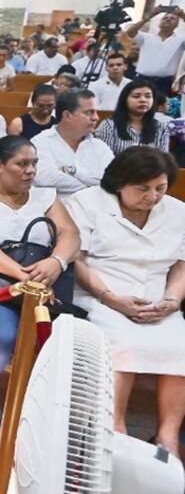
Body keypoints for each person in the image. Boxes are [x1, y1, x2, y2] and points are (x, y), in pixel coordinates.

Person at [0, 136, 80, 439]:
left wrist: (57, 262)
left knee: (72, 339)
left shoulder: (44, 197)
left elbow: (70, 232)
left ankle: (49, 411)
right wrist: (21, 275)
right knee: (0, 337)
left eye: (34, 163)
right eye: (22, 164)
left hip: (40, 286)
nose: (30, 171)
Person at [67, 147, 185, 456]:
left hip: (158, 300)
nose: (153, 197)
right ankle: (114, 428)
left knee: (179, 348)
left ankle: (167, 437)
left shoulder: (176, 210)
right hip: (103, 294)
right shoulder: (87, 202)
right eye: (143, 188)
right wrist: (111, 298)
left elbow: (181, 265)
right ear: (120, 183)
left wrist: (172, 299)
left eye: (160, 188)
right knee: (122, 345)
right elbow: (76, 259)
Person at [31, 89, 114, 201]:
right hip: (55, 211)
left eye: (96, 112)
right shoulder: (40, 142)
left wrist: (74, 171)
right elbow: (45, 177)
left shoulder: (100, 147)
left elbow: (112, 180)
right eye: (89, 112)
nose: (96, 118)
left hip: (96, 212)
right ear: (67, 115)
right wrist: (90, 187)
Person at [93, 80, 169, 155]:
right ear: (125, 100)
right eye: (136, 96)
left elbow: (164, 160)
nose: (143, 100)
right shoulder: (109, 126)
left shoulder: (161, 127)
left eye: (148, 96)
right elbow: (104, 159)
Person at [125, 6, 185, 96]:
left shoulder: (180, 39)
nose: (168, 19)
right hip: (142, 79)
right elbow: (130, 32)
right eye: (165, 18)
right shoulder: (147, 37)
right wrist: (149, 17)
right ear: (160, 22)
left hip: (163, 82)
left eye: (172, 18)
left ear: (176, 25)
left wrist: (183, 17)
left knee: (158, 108)